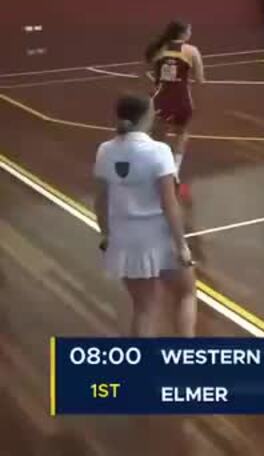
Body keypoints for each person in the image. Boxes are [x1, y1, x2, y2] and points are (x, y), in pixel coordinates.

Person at [93, 94, 196, 336]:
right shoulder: (159, 151)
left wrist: (106, 235)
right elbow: (169, 204)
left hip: (124, 240)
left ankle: (142, 369)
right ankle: (189, 361)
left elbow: (100, 201)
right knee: (186, 294)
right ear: (146, 116)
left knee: (144, 309)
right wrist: (181, 245)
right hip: (159, 237)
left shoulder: (105, 151)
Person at [145, 20, 203, 198]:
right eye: (190, 30)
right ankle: (175, 170)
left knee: (156, 138)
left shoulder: (160, 50)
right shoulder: (191, 51)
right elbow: (200, 79)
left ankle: (154, 170)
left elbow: (155, 75)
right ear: (184, 33)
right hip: (182, 100)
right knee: (181, 134)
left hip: (162, 99)